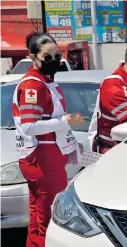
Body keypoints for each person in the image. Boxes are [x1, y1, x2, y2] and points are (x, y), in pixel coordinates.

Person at [12, 32, 84, 247]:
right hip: (42, 157)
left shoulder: (46, 82)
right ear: (33, 57)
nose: (54, 62)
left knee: (39, 217)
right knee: (48, 218)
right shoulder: (34, 86)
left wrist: (70, 144)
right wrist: (66, 120)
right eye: (47, 57)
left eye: (57, 56)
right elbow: (29, 125)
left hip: (47, 155)